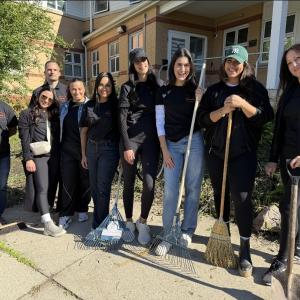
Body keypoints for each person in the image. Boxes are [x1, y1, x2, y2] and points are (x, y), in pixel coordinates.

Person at [198, 45, 274, 277]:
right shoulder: (214, 91)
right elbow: (203, 119)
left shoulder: (255, 89)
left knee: (242, 199)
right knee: (221, 198)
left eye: (237, 62)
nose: (232, 65)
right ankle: (223, 240)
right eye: (229, 61)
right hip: (216, 154)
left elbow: (265, 117)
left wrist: (242, 104)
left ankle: (245, 249)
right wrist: (222, 110)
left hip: (243, 155)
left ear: (244, 65)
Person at [155, 48, 205, 255]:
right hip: (172, 146)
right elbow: (159, 123)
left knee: (193, 188)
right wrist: (164, 150)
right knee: (171, 191)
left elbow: (203, 119)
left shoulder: (196, 90)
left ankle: (187, 230)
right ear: (172, 66)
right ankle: (168, 233)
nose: (182, 69)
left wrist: (201, 101)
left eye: (186, 65)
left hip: (194, 141)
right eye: (179, 65)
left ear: (191, 67)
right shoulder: (163, 91)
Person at [263, 43, 300, 285]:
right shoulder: (289, 91)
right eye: (289, 63)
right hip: (288, 159)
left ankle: (283, 260)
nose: (294, 65)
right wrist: (273, 158)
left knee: (288, 207)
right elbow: (278, 128)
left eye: (297, 59)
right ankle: (295, 246)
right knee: (296, 206)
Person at [119, 48, 162, 245]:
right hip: (131, 141)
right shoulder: (127, 87)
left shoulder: (158, 85)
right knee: (128, 182)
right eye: (137, 61)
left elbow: (166, 112)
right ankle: (128, 221)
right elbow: (121, 118)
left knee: (149, 183)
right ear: (133, 65)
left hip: (152, 140)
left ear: (148, 61)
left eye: (144, 59)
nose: (141, 63)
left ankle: (142, 221)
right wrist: (127, 146)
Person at [19, 87, 65, 237]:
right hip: (38, 157)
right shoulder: (27, 114)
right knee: (42, 188)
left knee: (50, 188)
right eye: (44, 97)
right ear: (38, 96)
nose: (46, 100)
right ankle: (47, 224)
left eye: (50, 99)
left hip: (54, 157)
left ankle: (46, 213)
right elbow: (24, 139)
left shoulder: (52, 114)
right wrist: (28, 159)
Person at [80, 72, 120, 230]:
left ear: (112, 87)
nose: (105, 88)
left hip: (109, 150)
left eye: (108, 85)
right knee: (95, 188)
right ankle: (101, 219)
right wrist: (83, 154)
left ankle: (99, 226)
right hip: (91, 148)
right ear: (96, 86)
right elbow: (83, 131)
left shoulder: (116, 105)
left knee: (103, 188)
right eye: (102, 85)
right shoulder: (89, 105)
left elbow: (122, 131)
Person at [29, 60, 67, 211]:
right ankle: (47, 205)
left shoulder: (66, 90)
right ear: (45, 72)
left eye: (55, 69)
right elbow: (31, 116)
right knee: (48, 175)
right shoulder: (37, 91)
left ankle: (62, 207)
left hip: (63, 139)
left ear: (59, 72)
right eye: (49, 70)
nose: (52, 72)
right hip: (44, 141)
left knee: (63, 174)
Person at [59, 79, 91, 230]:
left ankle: (82, 209)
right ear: (69, 91)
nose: (76, 92)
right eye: (73, 89)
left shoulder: (90, 105)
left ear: (84, 89)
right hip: (67, 150)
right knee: (68, 182)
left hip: (84, 150)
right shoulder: (65, 106)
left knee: (85, 181)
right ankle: (66, 214)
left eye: (79, 89)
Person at [0, 101, 18, 226]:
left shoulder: (5, 107)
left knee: (1, 186)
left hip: (3, 154)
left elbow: (13, 129)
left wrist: (3, 138)